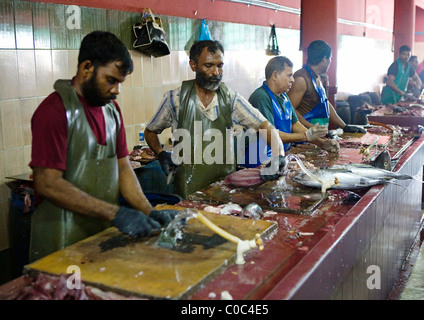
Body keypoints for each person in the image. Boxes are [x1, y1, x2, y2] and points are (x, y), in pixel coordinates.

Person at [29, 31, 176, 262]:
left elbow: (123, 168)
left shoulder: (112, 111)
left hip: (98, 236)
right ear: (87, 67)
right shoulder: (54, 111)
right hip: (59, 241)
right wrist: (116, 213)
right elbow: (48, 183)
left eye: (120, 83)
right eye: (111, 80)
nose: (116, 90)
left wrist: (149, 211)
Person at [144, 40, 285, 199]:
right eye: (208, 65)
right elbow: (150, 131)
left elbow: (265, 125)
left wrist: (278, 154)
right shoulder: (175, 99)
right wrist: (161, 152)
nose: (216, 72)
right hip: (186, 190)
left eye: (220, 66)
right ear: (193, 65)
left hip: (224, 189)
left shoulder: (230, 98)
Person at [246, 56, 339, 163]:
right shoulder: (261, 97)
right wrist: (305, 136)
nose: (293, 80)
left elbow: (296, 125)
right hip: (260, 160)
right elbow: (271, 135)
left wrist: (321, 143)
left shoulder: (284, 97)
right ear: (275, 75)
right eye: (289, 75)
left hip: (279, 156)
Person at [287, 40, 365, 134]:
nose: (330, 61)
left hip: (317, 136)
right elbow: (290, 110)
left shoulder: (316, 76)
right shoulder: (301, 79)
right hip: (304, 137)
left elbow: (325, 103)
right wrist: (311, 128)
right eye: (330, 58)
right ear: (324, 59)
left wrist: (344, 126)